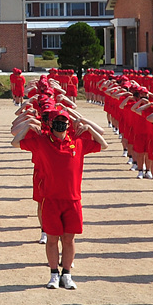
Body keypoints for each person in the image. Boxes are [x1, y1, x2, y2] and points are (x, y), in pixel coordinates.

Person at [14, 105, 106, 289]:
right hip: (51, 199)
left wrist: (88, 127)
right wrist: (28, 126)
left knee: (69, 239)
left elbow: (103, 144)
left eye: (64, 122)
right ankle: (54, 274)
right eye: (57, 122)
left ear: (68, 124)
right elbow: (15, 143)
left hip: (72, 199)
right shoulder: (41, 142)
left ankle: (67, 274)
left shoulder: (78, 143)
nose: (60, 125)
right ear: (51, 123)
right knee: (52, 239)